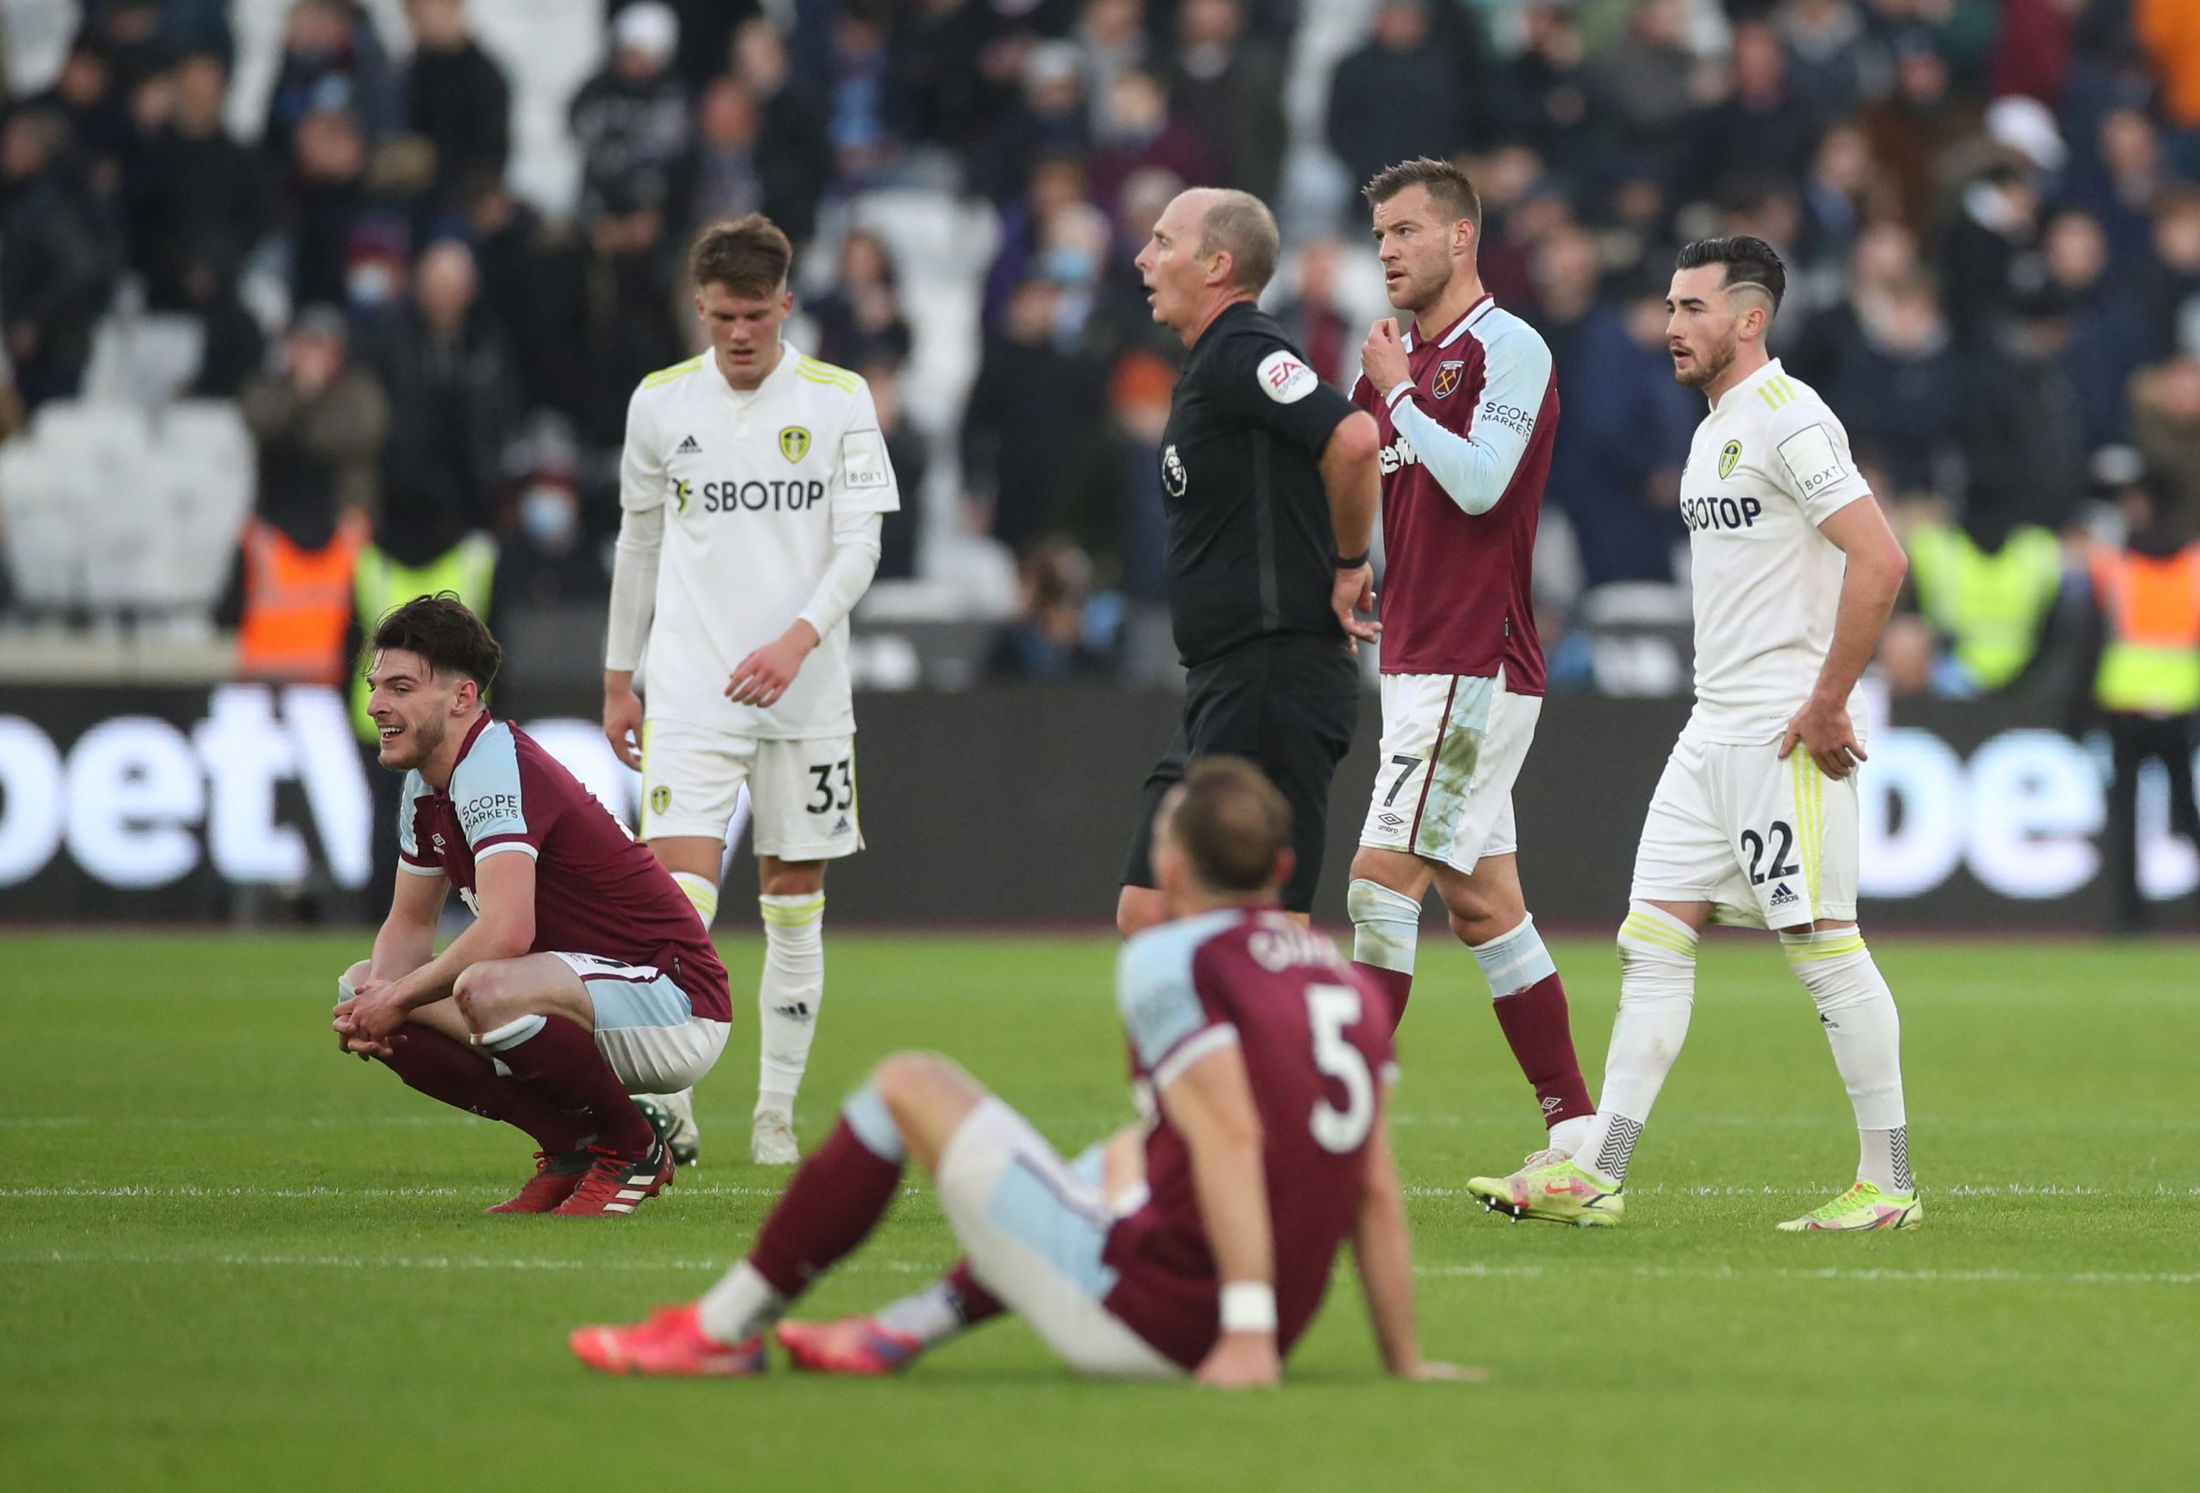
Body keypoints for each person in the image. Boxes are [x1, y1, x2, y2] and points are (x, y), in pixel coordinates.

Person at [570, 757, 1467, 1387]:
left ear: (1170, 862)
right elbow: (1373, 1187)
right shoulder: (1334, 971)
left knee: (907, 1084)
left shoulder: (1172, 955)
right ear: (1281, 868)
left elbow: (1231, 1134)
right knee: (1133, 1149)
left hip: (1171, 1321)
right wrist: (1405, 1359)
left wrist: (1242, 1337)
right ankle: (900, 1328)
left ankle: (718, 1330)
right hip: (1264, 1309)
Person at [1496, 238, 1921, 1233]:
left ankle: (1887, 1181)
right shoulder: (1712, 426)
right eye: (1668, 306)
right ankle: (1595, 1166)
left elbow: (1880, 559)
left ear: (1749, 318)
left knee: (1822, 946)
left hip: (1779, 730)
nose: (1670, 324)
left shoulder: (1789, 419)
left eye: (1690, 307)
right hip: (1710, 724)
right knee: (1650, 936)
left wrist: (1824, 699)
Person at [603, 214, 900, 1166]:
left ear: (786, 305)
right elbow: (639, 541)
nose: (739, 335)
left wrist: (796, 639)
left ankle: (774, 1116)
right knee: (674, 904)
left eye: (756, 317)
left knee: (792, 902)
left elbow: (862, 542)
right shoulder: (658, 405)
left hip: (805, 695)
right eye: (723, 317)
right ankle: (674, 1099)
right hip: (690, 689)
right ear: (700, 308)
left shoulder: (839, 398)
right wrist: (619, 676)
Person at [1343, 158, 1598, 1203]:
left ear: (1459, 238)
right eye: (1377, 237)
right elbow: (1368, 472)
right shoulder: (1392, 361)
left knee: (1373, 888)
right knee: (1486, 909)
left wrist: (1400, 393)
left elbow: (1484, 484)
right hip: (1413, 655)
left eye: (1404, 231)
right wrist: (1345, 557)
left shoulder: (1510, 347)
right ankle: (1575, 1131)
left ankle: (1333, 1127)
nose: (1388, 251)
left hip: (1472, 659)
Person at [332, 595, 732, 1216]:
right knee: (363, 983)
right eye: (375, 686)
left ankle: (633, 1148)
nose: (377, 704)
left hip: (677, 1003)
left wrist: (400, 997)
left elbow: (507, 932)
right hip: (579, 999)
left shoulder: (495, 765)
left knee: (483, 986)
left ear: (462, 698)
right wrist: (377, 1001)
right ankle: (572, 1148)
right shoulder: (426, 782)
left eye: (401, 687)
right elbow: (408, 924)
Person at [1117, 188, 1381, 939]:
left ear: (1217, 265)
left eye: (1163, 242)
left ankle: (1287, 1057)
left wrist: (1351, 560)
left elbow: (1356, 438)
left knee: (1256, 927)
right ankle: (1197, 1060)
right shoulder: (1213, 364)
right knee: (1148, 907)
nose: (1143, 258)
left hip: (1274, 672)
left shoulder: (1243, 350)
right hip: (1225, 681)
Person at [2076, 471, 2200, 934]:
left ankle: (2130, 916)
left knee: (2125, 816)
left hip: (2123, 704)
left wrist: (2076, 712)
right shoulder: (2193, 564)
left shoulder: (2116, 566)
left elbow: (2091, 645)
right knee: (2186, 812)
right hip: (2180, 705)